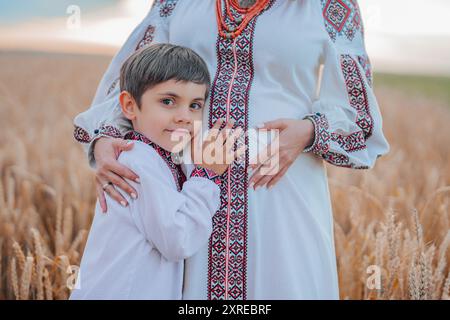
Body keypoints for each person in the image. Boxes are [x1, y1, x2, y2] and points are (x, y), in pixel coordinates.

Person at [73, 0, 390, 299]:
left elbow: (359, 117)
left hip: (279, 193)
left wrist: (309, 131)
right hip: (183, 192)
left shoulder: (329, 6)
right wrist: (105, 139)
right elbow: (129, 81)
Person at [70, 43, 246, 299]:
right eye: (168, 101)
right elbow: (178, 240)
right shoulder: (137, 163)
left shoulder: (158, 157)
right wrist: (206, 175)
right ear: (129, 106)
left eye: (195, 105)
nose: (184, 116)